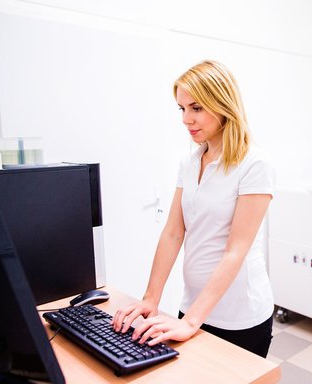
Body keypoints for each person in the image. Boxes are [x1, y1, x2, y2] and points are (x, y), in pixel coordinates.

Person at [112, 60, 275, 358]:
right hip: (192, 306)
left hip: (239, 315)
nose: (186, 119)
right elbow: (174, 233)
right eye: (182, 108)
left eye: (196, 108)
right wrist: (151, 298)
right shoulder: (188, 163)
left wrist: (190, 322)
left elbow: (235, 251)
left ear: (223, 104)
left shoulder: (254, 164)